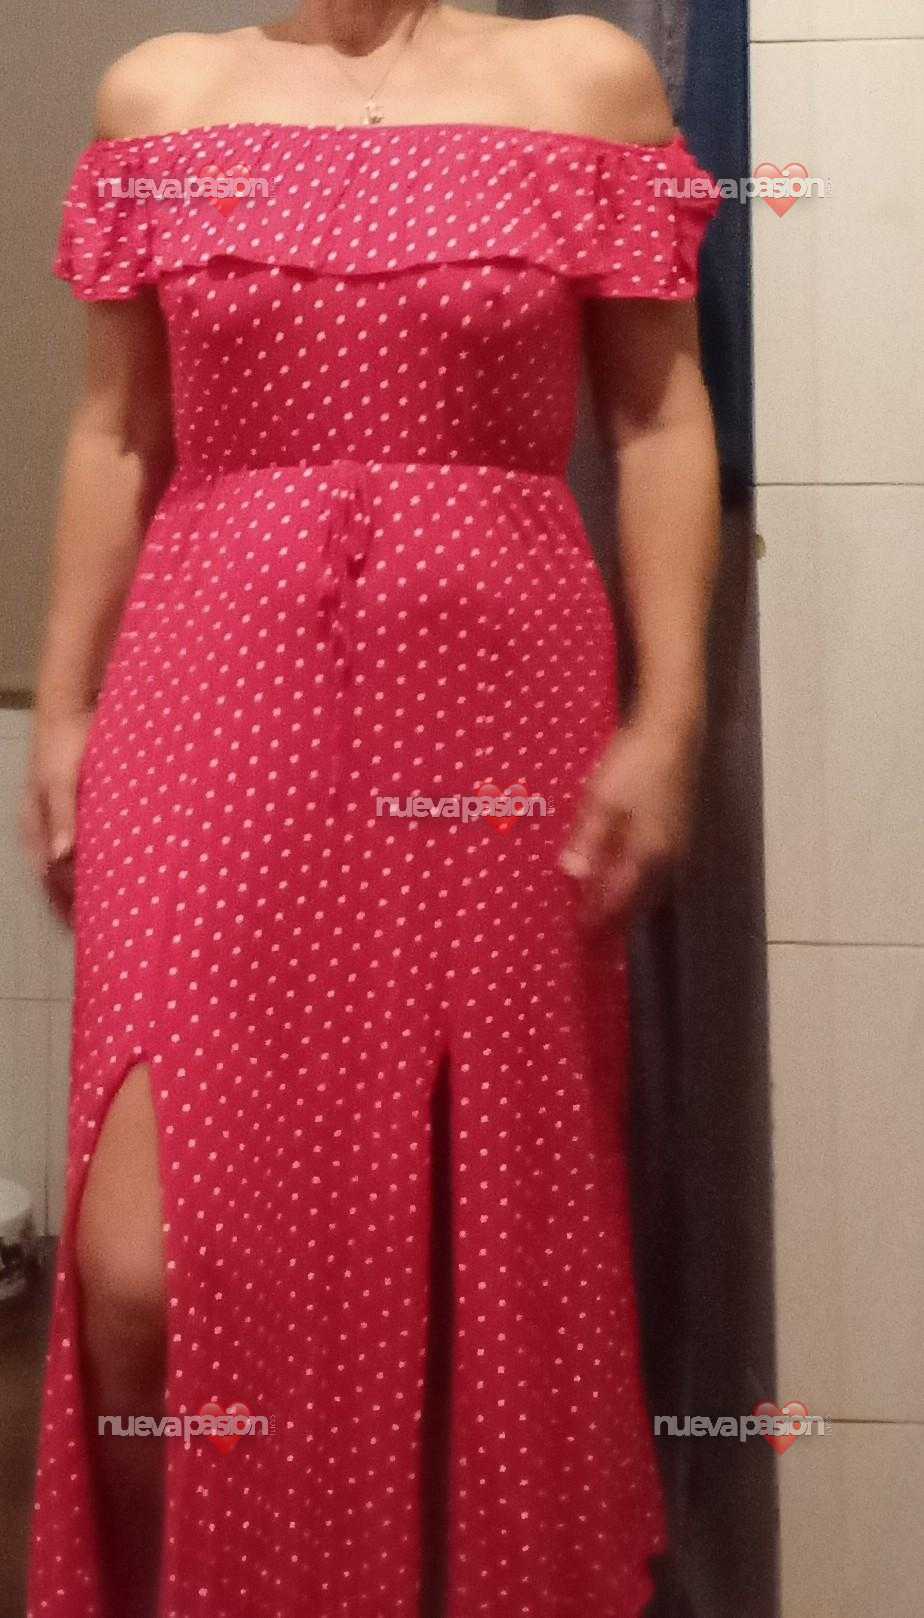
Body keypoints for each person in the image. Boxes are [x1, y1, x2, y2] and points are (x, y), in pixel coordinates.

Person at [21, 5, 721, 1615]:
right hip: (208, 692)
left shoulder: (584, 80)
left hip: (495, 702)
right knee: (140, 1276)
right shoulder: (160, 95)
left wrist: (671, 712)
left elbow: (659, 418)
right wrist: (62, 706)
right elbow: (115, 430)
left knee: (469, 1241)